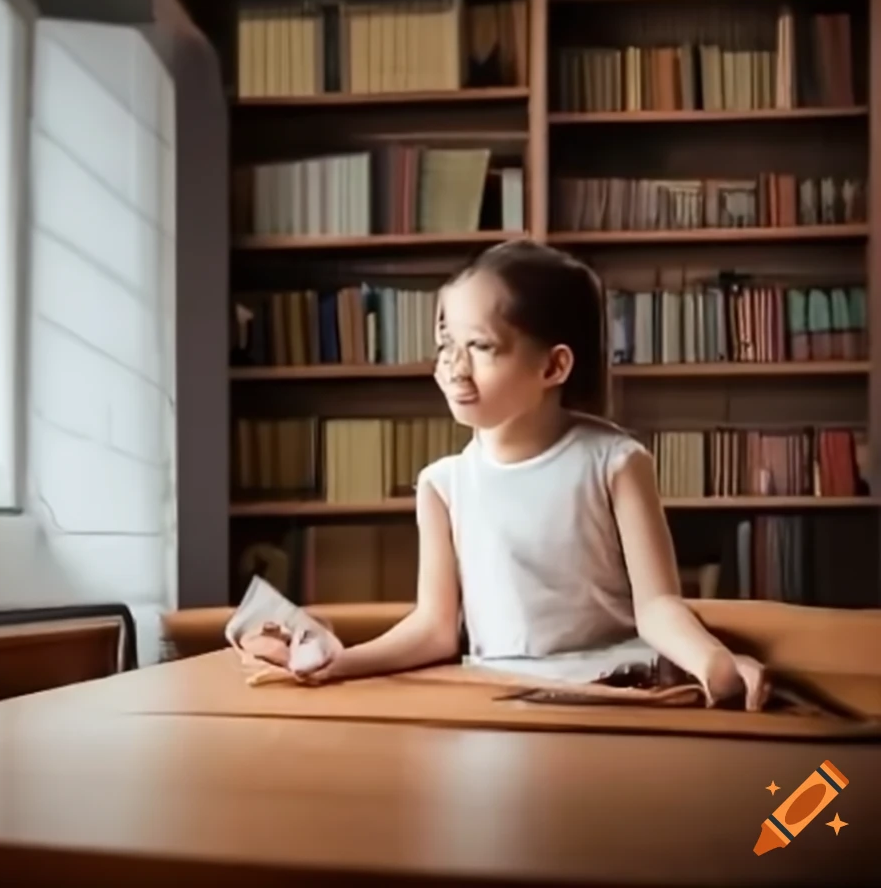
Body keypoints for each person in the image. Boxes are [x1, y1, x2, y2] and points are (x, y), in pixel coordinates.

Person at [303, 239, 768, 710]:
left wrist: (713, 661)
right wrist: (340, 663)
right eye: (446, 344)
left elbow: (657, 606)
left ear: (553, 365)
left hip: (614, 686)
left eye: (480, 346)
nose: (453, 367)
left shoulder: (616, 462)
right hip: (497, 694)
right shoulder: (442, 485)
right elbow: (434, 629)